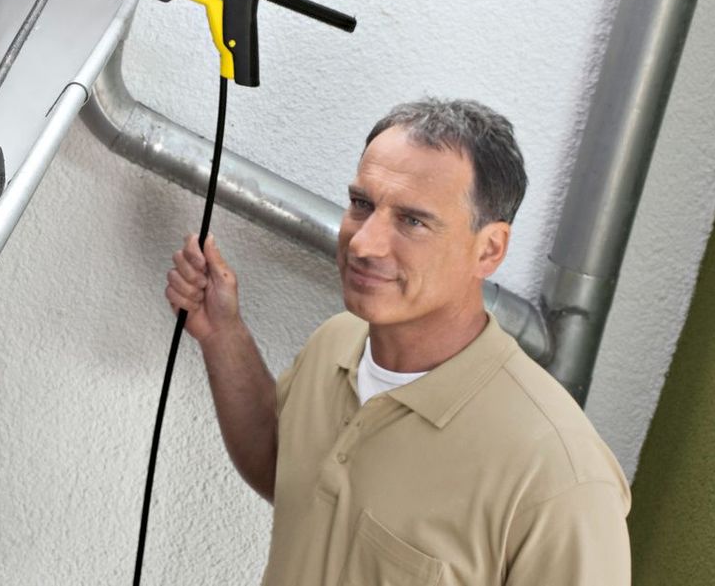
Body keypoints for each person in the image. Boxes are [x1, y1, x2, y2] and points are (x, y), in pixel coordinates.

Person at [166, 98, 630, 585]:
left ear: (489, 249)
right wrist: (222, 334)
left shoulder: (559, 475)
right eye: (362, 204)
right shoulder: (336, 343)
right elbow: (284, 469)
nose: (364, 244)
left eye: (413, 220)